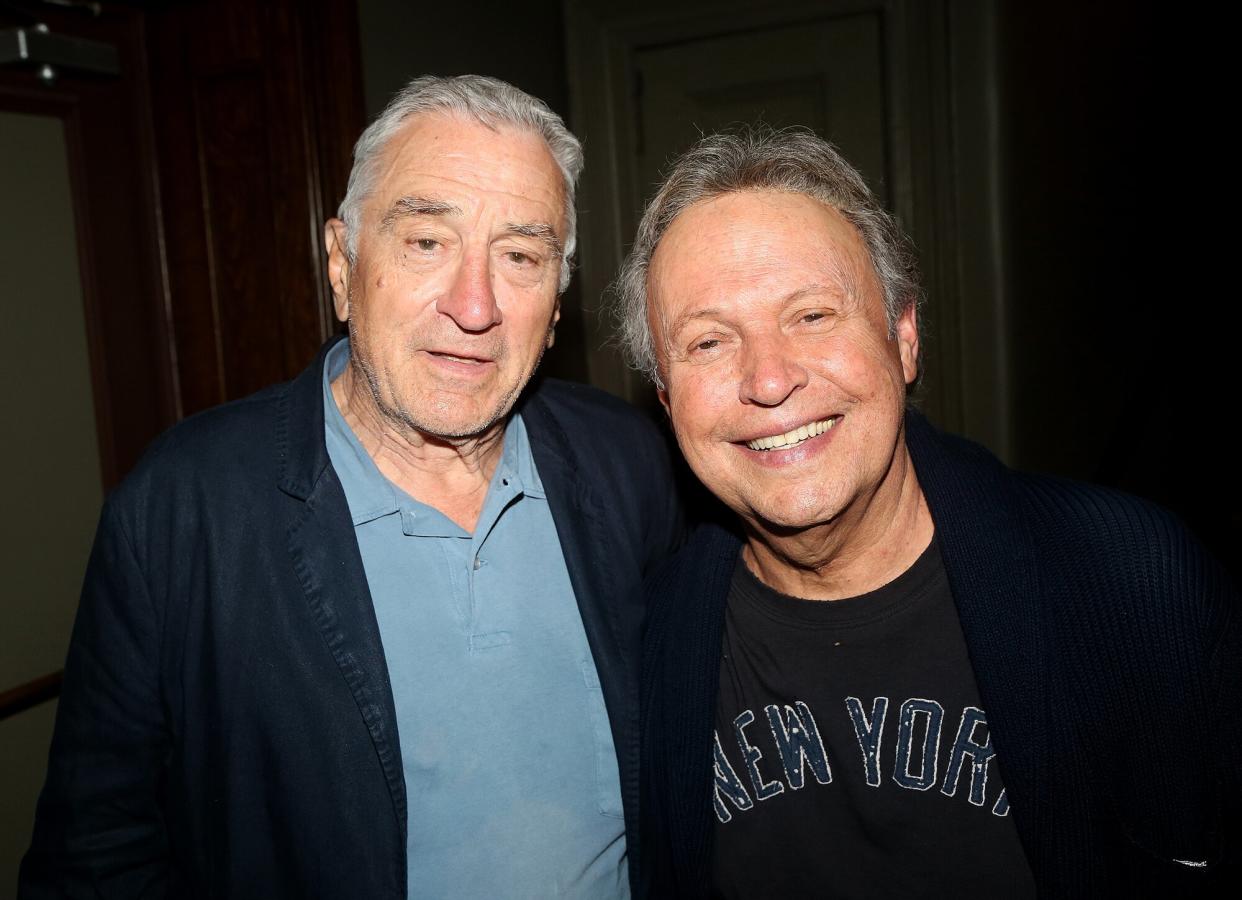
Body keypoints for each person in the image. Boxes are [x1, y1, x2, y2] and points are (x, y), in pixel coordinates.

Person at [20, 75, 682, 899]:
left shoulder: (631, 462)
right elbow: (95, 856)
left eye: (519, 256)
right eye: (426, 243)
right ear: (342, 264)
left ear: (556, 306)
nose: (474, 306)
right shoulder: (183, 509)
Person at [619, 126, 1239, 897]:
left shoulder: (1134, 586)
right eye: (709, 342)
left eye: (812, 315)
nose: (769, 380)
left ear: (903, 338)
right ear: (669, 400)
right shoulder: (651, 642)